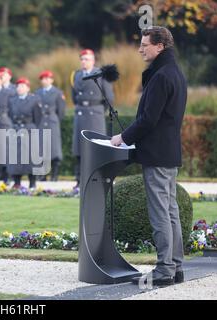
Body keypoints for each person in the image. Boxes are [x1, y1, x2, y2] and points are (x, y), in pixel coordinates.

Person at [111, 26, 187, 286]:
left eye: (145, 44)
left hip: (156, 155)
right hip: (168, 153)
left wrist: (123, 138)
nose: (141, 48)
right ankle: (175, 267)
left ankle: (165, 270)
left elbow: (148, 120)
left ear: (160, 46)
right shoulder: (174, 73)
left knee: (160, 214)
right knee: (171, 211)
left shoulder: (161, 76)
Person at [71, 49, 114, 194]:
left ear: (93, 60)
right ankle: (78, 180)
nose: (84, 61)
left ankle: (96, 180)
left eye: (87, 59)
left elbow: (109, 97)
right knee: (79, 150)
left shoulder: (101, 74)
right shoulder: (76, 75)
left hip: (94, 114)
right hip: (81, 113)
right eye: (82, 59)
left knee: (95, 149)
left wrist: (99, 111)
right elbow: (74, 96)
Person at [7, 77, 39, 189]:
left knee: (30, 158)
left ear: (28, 88)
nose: (20, 88)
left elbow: (38, 118)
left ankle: (32, 182)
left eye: (22, 86)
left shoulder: (34, 100)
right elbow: (10, 115)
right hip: (16, 130)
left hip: (29, 129)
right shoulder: (12, 101)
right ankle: (17, 182)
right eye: (18, 86)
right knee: (16, 158)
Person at [35, 70, 66, 182]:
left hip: (52, 122)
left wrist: (55, 119)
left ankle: (54, 175)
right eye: (43, 78)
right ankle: (42, 175)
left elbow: (61, 111)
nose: (45, 80)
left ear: (52, 80)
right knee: (42, 149)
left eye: (48, 78)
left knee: (54, 150)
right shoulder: (37, 92)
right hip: (41, 122)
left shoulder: (58, 93)